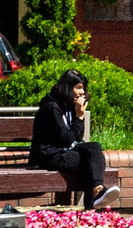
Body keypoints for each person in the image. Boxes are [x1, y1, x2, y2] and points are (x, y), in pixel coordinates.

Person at [29, 69, 112, 209]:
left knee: (95, 147)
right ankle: (92, 207)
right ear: (67, 88)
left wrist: (78, 115)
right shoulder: (51, 107)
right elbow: (66, 139)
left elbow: (77, 137)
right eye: (78, 87)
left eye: (83, 88)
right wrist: (79, 117)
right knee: (88, 163)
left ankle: (98, 189)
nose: (82, 92)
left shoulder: (70, 105)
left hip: (65, 150)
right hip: (49, 154)